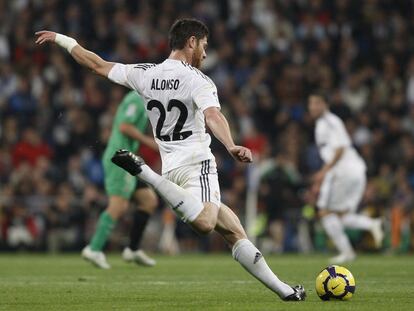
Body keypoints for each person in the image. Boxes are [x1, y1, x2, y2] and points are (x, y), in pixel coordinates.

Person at [35, 18, 305, 301]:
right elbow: (213, 115)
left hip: (173, 168)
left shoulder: (146, 73)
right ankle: (146, 173)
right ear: (191, 42)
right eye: (204, 45)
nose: (205, 53)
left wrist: (62, 39)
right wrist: (231, 144)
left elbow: (96, 65)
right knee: (205, 223)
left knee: (233, 230)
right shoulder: (198, 79)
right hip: (197, 163)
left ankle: (285, 292)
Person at [82, 91, 159, 269]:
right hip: (119, 158)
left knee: (148, 201)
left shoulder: (143, 99)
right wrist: (149, 142)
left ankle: (132, 249)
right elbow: (125, 126)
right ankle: (93, 248)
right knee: (119, 205)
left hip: (127, 156)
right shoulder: (136, 99)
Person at [308, 94, 384, 264]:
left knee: (324, 211)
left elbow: (340, 149)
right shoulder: (329, 122)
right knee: (341, 216)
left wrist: (322, 172)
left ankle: (348, 252)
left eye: (316, 103)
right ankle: (371, 224)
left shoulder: (328, 122)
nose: (312, 107)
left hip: (343, 171)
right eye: (310, 103)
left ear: (326, 104)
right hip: (354, 170)